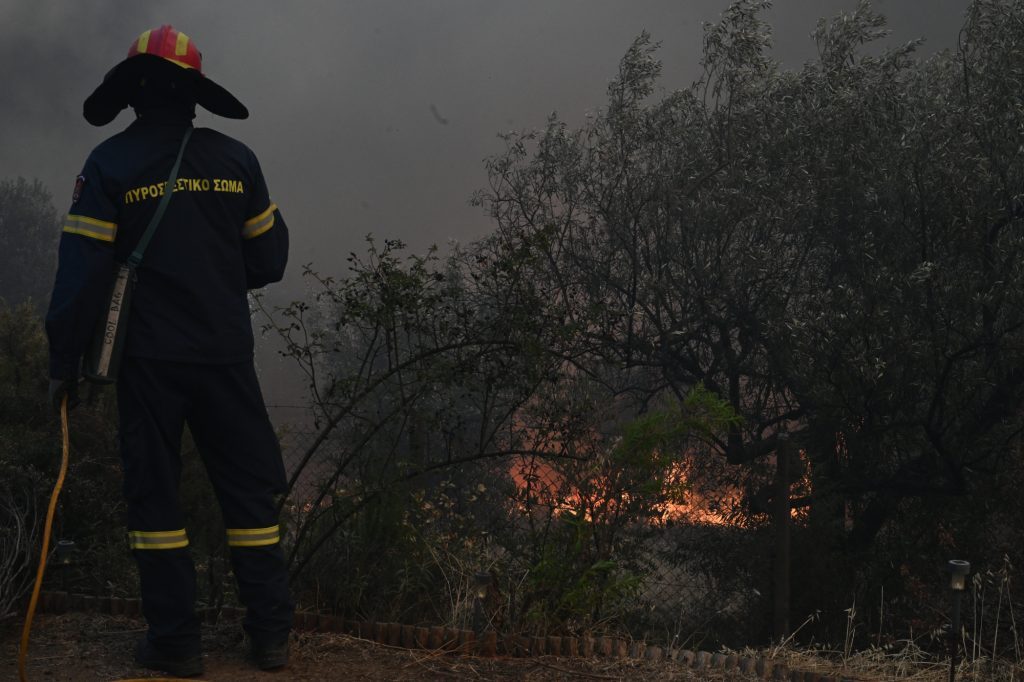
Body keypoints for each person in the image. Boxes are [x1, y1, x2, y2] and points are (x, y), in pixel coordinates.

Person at [45, 25, 294, 677]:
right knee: (248, 498)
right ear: (194, 98)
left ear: (132, 95)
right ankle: (270, 637)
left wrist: (62, 364)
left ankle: (177, 643)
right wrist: (211, 268)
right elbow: (269, 260)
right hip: (225, 358)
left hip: (149, 365)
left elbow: (79, 280)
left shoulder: (108, 166)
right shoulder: (237, 160)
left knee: (156, 501)